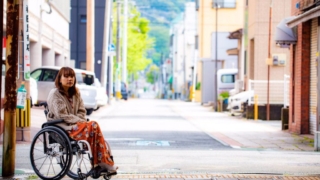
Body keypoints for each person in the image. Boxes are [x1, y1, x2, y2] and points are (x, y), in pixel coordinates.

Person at [46, 67, 117, 177]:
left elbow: (82, 111)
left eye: (72, 76)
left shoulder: (76, 93)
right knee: (93, 125)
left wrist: (79, 121)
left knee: (93, 127)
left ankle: (100, 164)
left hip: (75, 125)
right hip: (61, 126)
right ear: (59, 79)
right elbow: (62, 115)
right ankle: (103, 163)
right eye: (66, 76)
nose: (70, 79)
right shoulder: (55, 93)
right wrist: (79, 121)